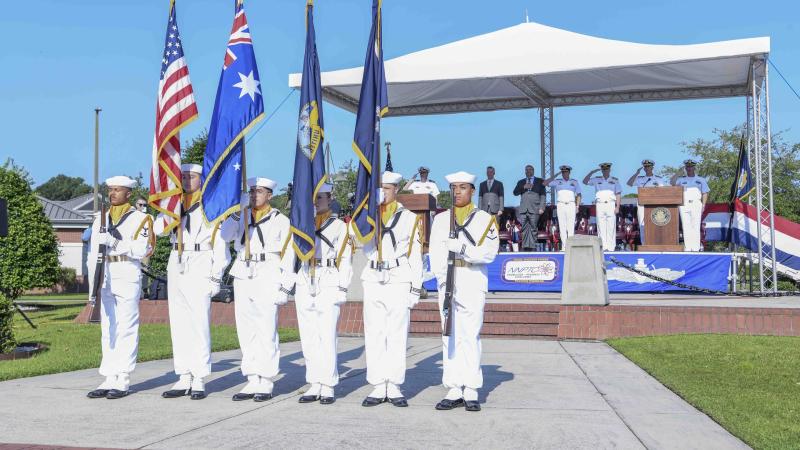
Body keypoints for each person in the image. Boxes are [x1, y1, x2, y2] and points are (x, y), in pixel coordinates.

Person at [155, 164, 230, 401]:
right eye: (184, 176)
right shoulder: (174, 205)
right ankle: (184, 374)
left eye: (192, 176)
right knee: (179, 322)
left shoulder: (210, 207)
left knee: (198, 322)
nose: (187, 180)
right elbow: (159, 230)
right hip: (176, 259)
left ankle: (199, 376)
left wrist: (216, 275)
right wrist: (170, 207)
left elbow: (221, 245)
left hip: (200, 260)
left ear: (202, 179)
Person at [219, 177, 295, 402]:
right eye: (251, 192)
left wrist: (285, 286)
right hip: (244, 270)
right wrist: (236, 211)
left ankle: (267, 379)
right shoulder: (242, 216)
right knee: (246, 328)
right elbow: (224, 236)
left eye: (259, 192)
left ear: (269, 195)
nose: (254, 196)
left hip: (268, 271)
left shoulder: (280, 220)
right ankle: (252, 377)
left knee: (265, 328)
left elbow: (289, 254)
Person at [429, 171, 500, 412]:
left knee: (470, 334)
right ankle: (453, 387)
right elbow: (436, 253)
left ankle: (470, 388)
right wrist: (441, 281)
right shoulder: (441, 220)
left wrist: (462, 248)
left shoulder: (484, 219)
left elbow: (489, 253)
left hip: (471, 277)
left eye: (462, 187)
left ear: (472, 191)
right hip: (447, 281)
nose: (457, 191)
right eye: (454, 188)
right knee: (448, 334)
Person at [360, 171, 424, 408]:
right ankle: (378, 384)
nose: (383, 193)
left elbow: (415, 254)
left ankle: (394, 385)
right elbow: (359, 243)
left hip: (398, 276)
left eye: (387, 188)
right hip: (373, 276)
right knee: (375, 333)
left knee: (396, 333)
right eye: (379, 188)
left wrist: (415, 287)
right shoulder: (368, 217)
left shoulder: (409, 217)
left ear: (396, 189)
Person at [86, 176, 153, 400]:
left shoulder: (141, 218)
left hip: (126, 271)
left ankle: (123, 376)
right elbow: (93, 251)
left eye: (117, 190)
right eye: (110, 190)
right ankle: (109, 375)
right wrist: (92, 284)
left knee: (126, 325)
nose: (113, 193)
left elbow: (142, 249)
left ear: (129, 193)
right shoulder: (101, 218)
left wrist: (115, 242)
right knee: (108, 326)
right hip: (105, 273)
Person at [294, 183, 353, 405]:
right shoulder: (301, 224)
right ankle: (314, 381)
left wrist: (342, 286)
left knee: (326, 335)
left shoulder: (338, 226)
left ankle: (327, 383)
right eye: (313, 198)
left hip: (328, 277)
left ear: (330, 199)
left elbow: (345, 258)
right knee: (308, 335)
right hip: (305, 276)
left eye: (320, 197)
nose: (316, 202)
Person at [626, 159, 668, 245]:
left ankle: (656, 243)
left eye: (649, 166)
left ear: (652, 167)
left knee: (656, 223)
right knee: (643, 225)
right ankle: (644, 244)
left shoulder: (659, 179)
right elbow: (629, 183)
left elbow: (664, 191)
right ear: (644, 168)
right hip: (642, 204)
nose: (647, 168)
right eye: (645, 166)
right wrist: (636, 173)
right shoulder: (640, 179)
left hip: (655, 204)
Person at [671, 159, 709, 252]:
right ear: (685, 168)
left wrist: (703, 205)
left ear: (694, 167)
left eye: (691, 166)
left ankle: (695, 248)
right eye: (687, 166)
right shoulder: (681, 179)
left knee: (695, 225)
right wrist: (678, 173)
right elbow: (672, 183)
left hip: (696, 203)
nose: (689, 168)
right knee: (686, 225)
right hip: (684, 203)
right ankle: (688, 248)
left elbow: (705, 193)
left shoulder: (701, 179)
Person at [583, 163, 622, 251]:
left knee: (611, 226)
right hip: (600, 204)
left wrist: (617, 207)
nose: (605, 171)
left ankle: (611, 247)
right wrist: (591, 172)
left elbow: (618, 193)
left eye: (606, 169)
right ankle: (603, 247)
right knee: (601, 226)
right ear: (601, 170)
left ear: (609, 170)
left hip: (611, 204)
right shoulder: (596, 179)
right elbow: (585, 181)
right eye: (603, 170)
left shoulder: (615, 180)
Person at [543, 165, 581, 243]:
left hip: (571, 204)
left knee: (570, 227)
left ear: (569, 172)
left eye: (566, 172)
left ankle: (570, 245)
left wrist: (577, 206)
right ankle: (564, 246)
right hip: (561, 205)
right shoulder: (557, 181)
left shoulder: (574, 182)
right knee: (562, 226)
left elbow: (579, 194)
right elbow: (544, 183)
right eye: (563, 172)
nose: (564, 174)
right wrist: (555, 175)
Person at [512, 164, 546, 251]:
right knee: (524, 228)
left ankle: (533, 246)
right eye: (526, 170)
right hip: (523, 208)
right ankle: (525, 247)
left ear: (533, 171)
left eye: (530, 169)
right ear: (525, 171)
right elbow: (515, 192)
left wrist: (542, 207)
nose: (528, 171)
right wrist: (523, 187)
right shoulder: (521, 182)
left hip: (535, 208)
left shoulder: (540, 181)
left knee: (533, 228)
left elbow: (543, 195)